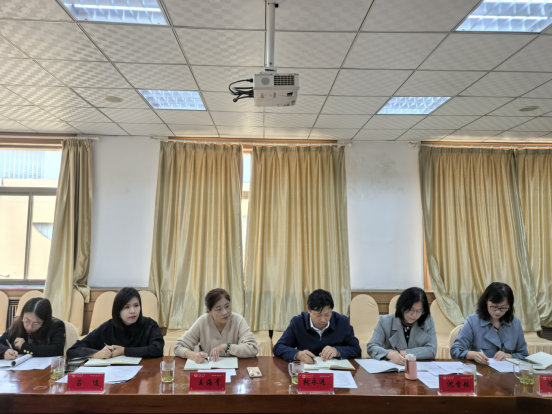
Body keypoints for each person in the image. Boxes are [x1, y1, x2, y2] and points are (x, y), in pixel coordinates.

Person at [67, 287, 164, 359]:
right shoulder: (108, 327)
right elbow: (73, 350)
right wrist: (96, 354)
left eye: (136, 305)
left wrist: (123, 351)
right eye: (126, 307)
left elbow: (157, 349)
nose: (133, 311)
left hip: (144, 374)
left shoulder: (150, 325)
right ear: (118, 310)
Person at [273, 289, 361, 363]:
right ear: (308, 309)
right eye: (318, 315)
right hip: (308, 370)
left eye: (327, 314)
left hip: (334, 371)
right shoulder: (298, 322)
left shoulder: (342, 322)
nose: (323, 320)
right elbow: (278, 347)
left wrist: (337, 351)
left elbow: (356, 350)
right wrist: (297, 354)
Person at [450, 282, 528, 364]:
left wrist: (509, 356)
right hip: (481, 369)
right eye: (494, 307)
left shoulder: (515, 323)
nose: (498, 311)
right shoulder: (473, 321)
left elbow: (524, 355)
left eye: (504, 308)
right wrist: (472, 355)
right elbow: (455, 351)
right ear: (486, 301)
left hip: (507, 371)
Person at [174, 288, 258, 362]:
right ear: (210, 311)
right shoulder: (202, 321)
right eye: (219, 309)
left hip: (234, 370)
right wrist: (193, 355)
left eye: (227, 306)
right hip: (208, 370)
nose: (225, 312)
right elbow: (178, 347)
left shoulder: (238, 320)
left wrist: (226, 347)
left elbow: (252, 348)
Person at [367, 287, 437, 364]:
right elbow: (372, 347)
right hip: (393, 367)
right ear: (402, 306)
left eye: (419, 311)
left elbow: (432, 350)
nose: (414, 315)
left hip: (418, 367)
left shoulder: (428, 321)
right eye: (411, 309)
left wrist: (402, 353)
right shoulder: (385, 321)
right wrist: (390, 355)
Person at [0, 297, 65, 360]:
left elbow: (56, 350)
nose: (29, 327)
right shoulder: (18, 322)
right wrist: (5, 352)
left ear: (44, 322)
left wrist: (25, 346)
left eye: (35, 324)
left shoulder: (56, 325)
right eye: (27, 321)